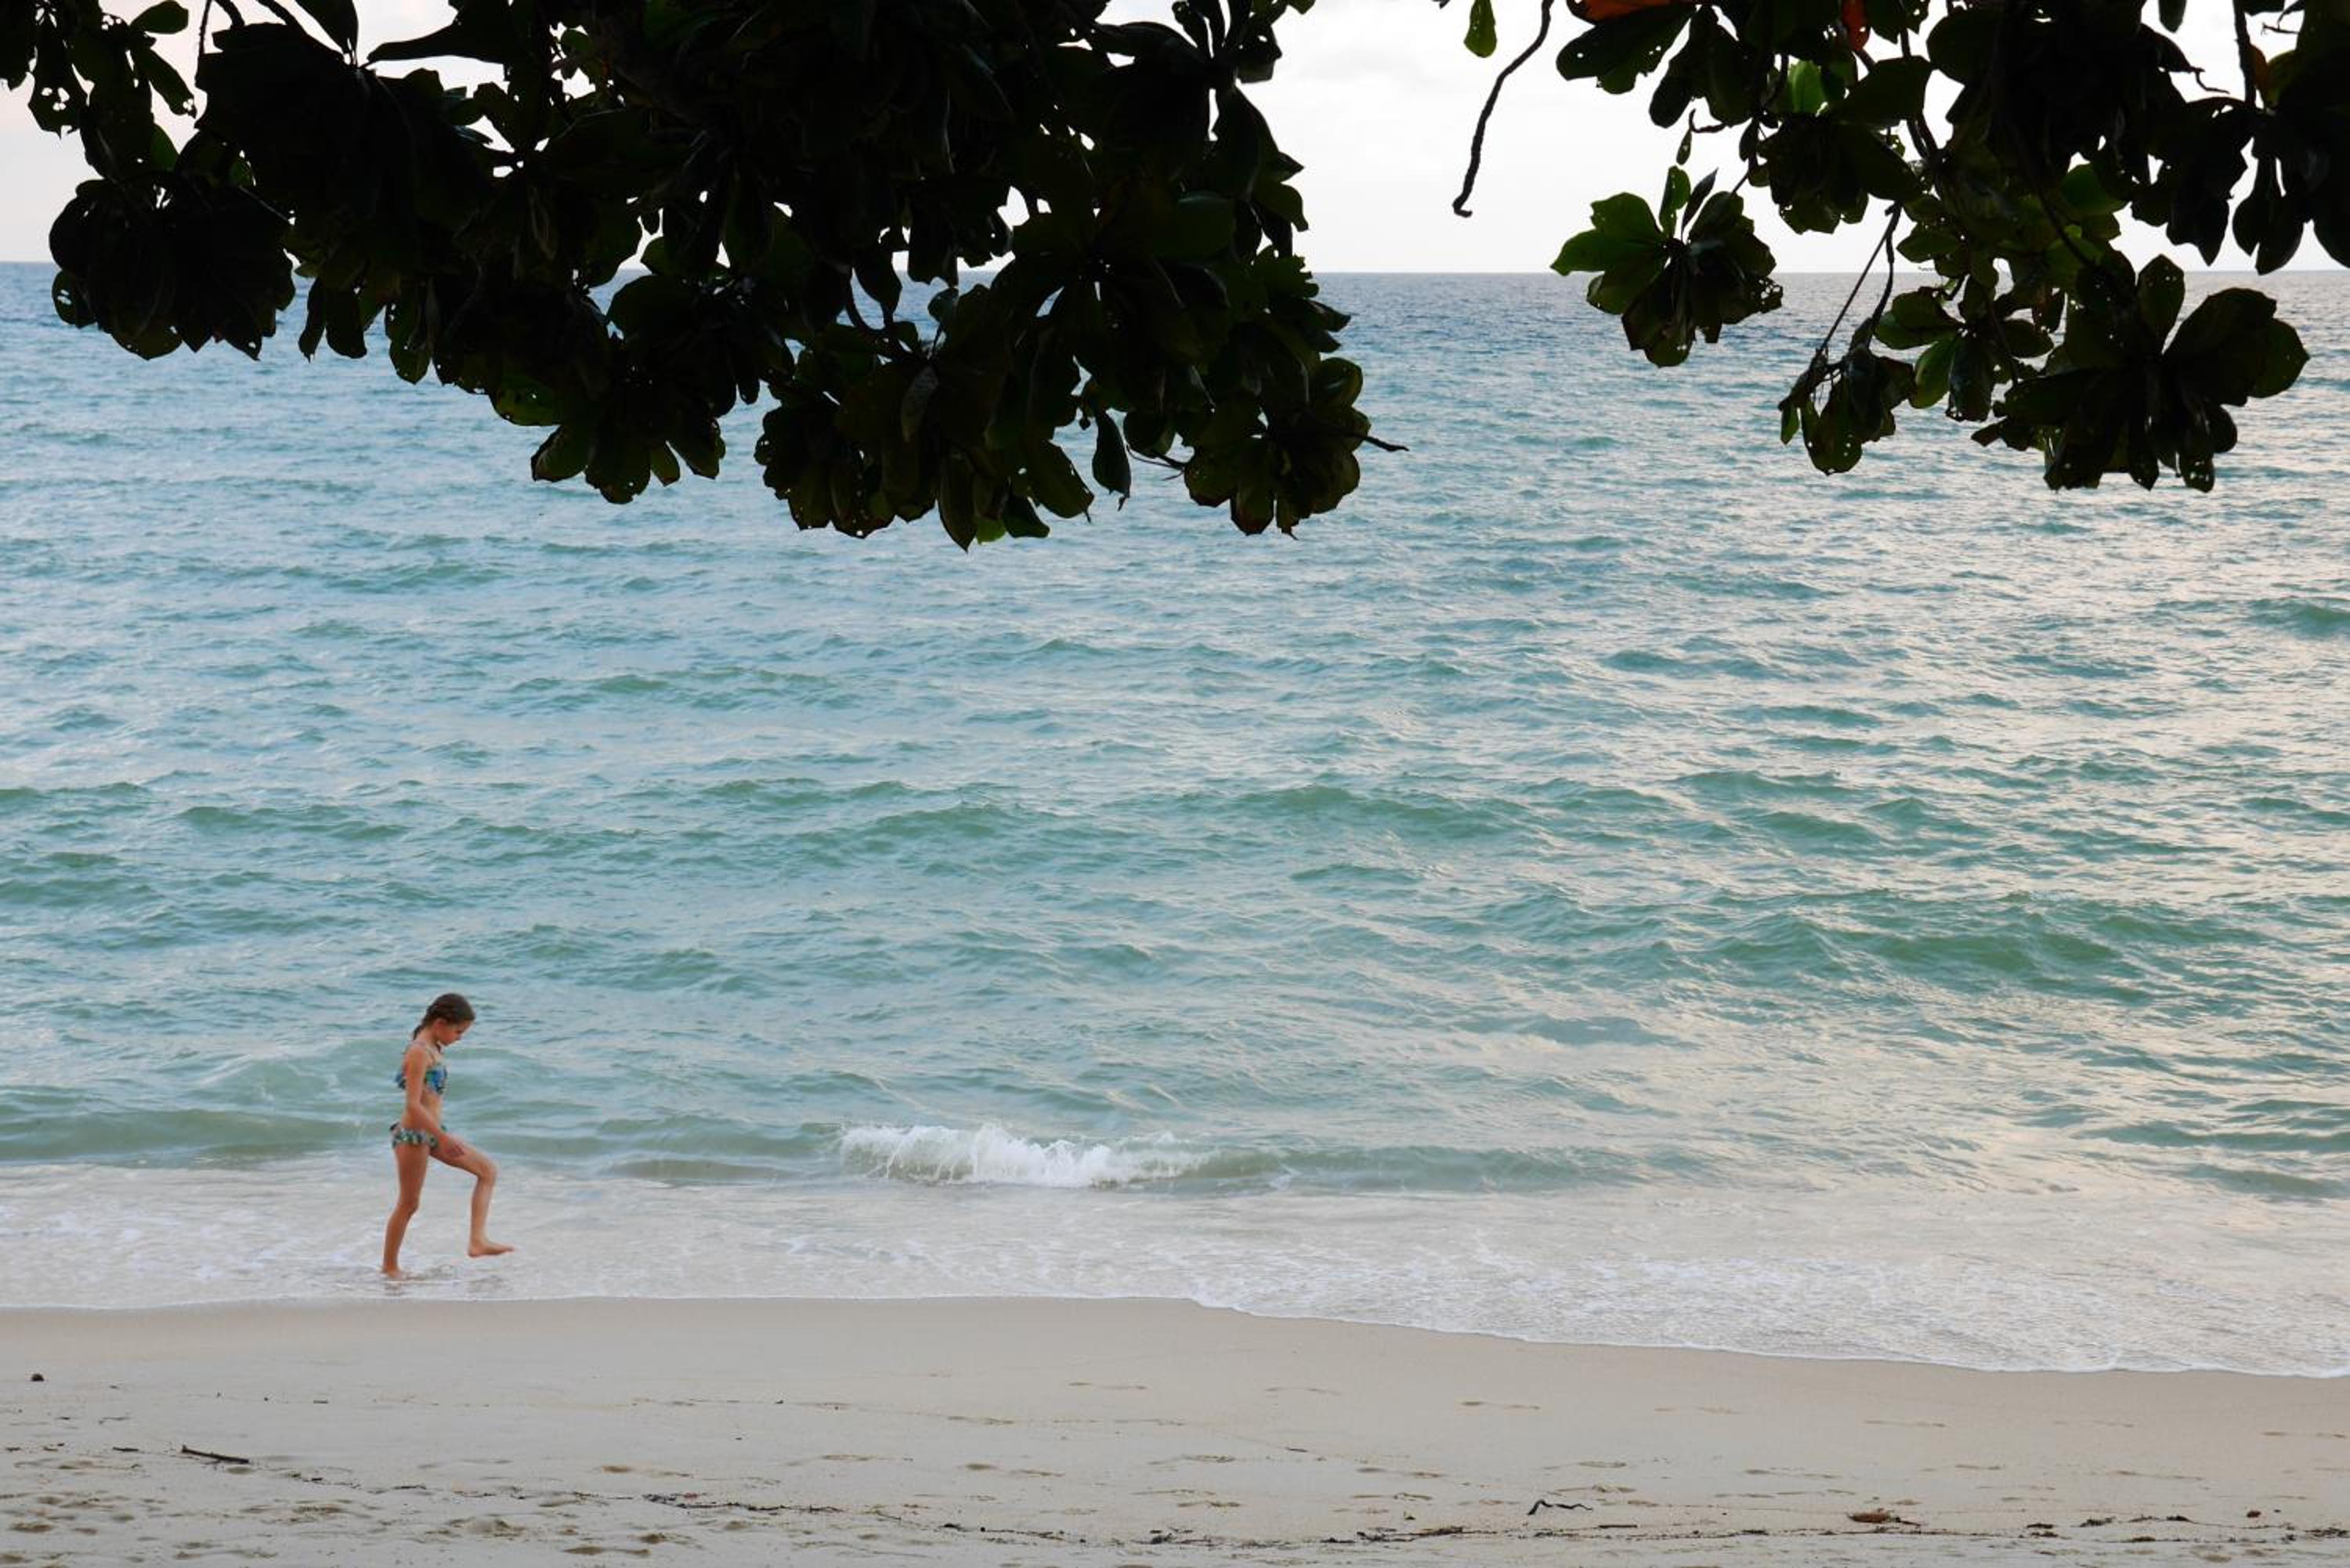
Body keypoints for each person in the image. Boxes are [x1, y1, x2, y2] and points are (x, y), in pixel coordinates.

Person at [381, 992, 512, 1277]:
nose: (460, 1038)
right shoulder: (419, 1051)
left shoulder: (434, 1048)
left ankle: (477, 1241)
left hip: (432, 1133)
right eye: (458, 1031)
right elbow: (413, 1106)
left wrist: (440, 1135)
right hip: (413, 1136)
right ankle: (389, 1268)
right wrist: (443, 1138)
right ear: (440, 1023)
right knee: (409, 1204)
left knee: (487, 1171)